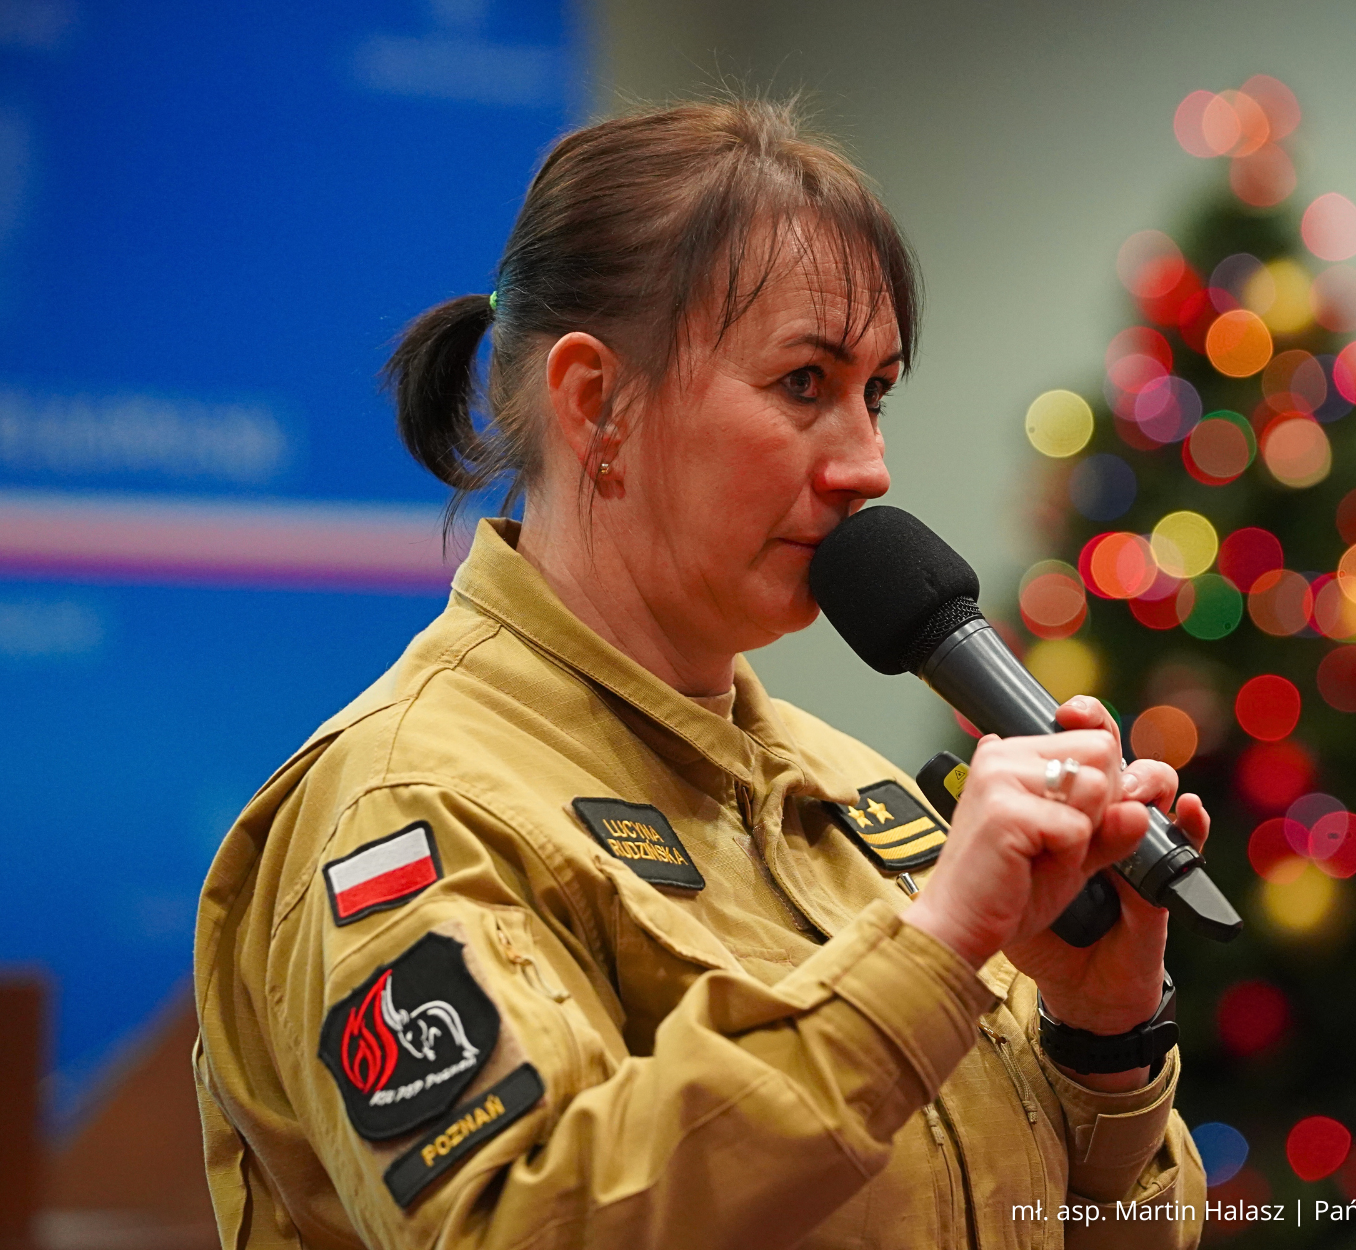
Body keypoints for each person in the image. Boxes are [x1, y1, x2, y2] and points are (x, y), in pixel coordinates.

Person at [193, 98, 1210, 1249]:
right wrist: (927, 960)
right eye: (805, 383)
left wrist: (1100, 1039)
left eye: (877, 392)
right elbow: (518, 1227)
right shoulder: (407, 801)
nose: (869, 464)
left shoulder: (854, 790)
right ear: (596, 402)